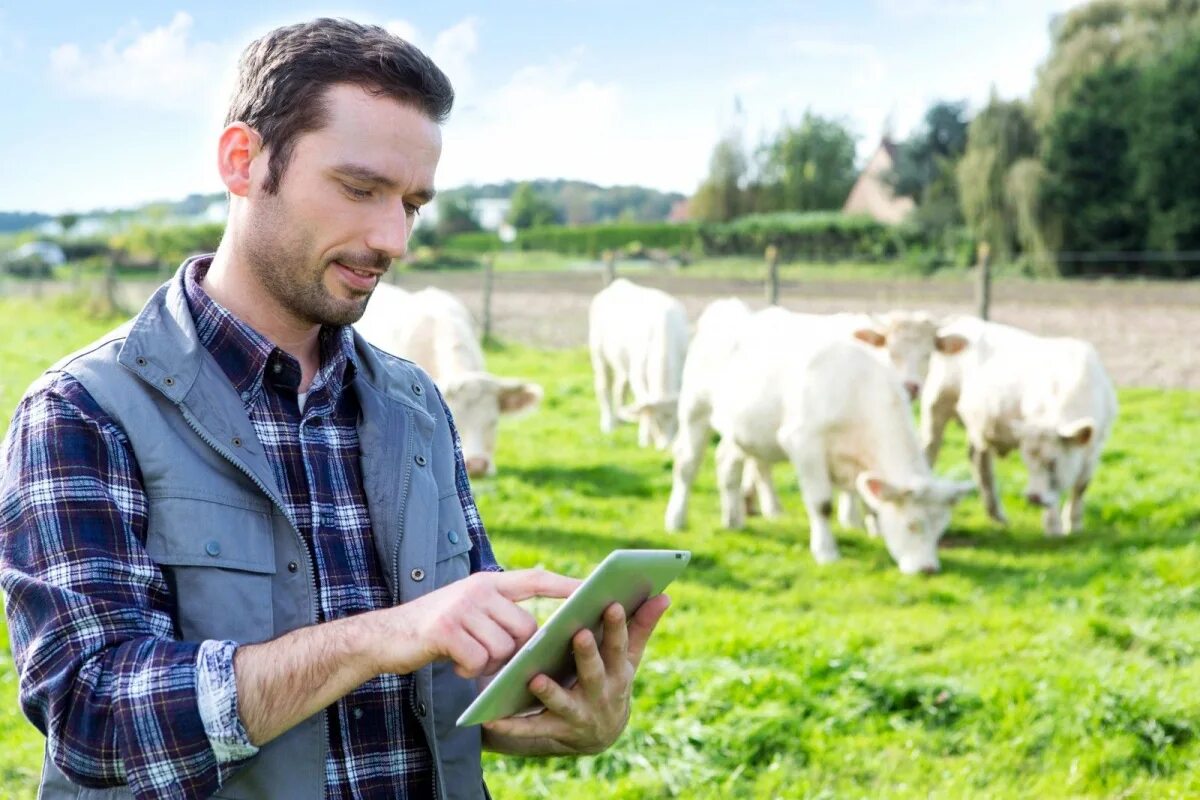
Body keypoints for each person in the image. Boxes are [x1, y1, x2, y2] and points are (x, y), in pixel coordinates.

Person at [0, 17, 670, 800]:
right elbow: (94, 716)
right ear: (243, 161)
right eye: (359, 189)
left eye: (412, 204)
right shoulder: (83, 409)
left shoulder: (417, 405)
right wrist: (381, 637)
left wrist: (561, 708)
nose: (393, 238)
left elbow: (445, 681)